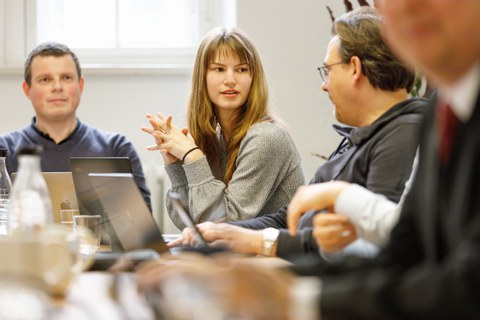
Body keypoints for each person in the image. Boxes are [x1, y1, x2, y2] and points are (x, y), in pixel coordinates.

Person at [172, 7, 426, 260]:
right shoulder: (360, 139)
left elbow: (372, 245)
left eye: (328, 70)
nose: (325, 85)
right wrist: (226, 233)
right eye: (218, 69)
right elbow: (290, 216)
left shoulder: (403, 134)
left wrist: (260, 241)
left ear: (356, 69)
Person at [290, 0, 480, 318]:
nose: (407, 6)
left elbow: (469, 289)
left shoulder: (414, 121)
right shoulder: (440, 110)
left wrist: (302, 300)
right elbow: (405, 254)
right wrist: (277, 284)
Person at [142, 28, 305, 230]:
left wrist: (193, 157)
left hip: (278, 257)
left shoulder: (266, 137)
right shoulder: (217, 137)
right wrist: (175, 164)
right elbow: (191, 224)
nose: (230, 80)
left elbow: (224, 225)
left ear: (253, 78)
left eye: (242, 69)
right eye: (219, 69)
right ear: (203, 77)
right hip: (237, 256)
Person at [0, 42, 151, 209]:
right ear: (27, 89)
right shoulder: (4, 150)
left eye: (66, 78)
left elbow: (143, 228)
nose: (57, 87)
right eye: (45, 79)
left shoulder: (116, 148)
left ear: (81, 85)